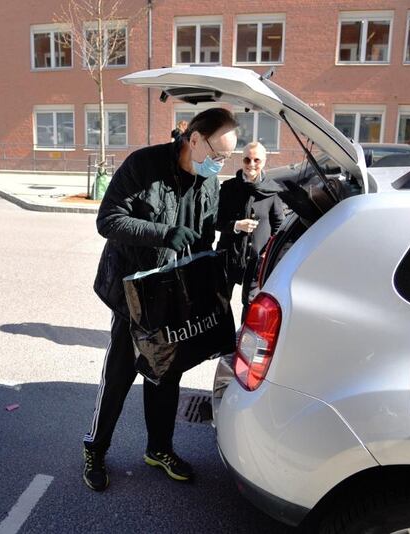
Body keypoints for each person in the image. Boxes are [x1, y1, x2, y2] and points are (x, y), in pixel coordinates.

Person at [84, 108, 238, 492]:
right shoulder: (144, 165)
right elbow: (108, 220)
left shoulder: (209, 181)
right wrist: (163, 233)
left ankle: (159, 449)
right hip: (134, 295)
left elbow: (206, 234)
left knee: (166, 375)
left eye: (225, 159)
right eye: (216, 155)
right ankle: (96, 450)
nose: (219, 164)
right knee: (120, 376)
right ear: (194, 139)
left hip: (175, 297)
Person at [217, 142, 284, 320]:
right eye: (247, 159)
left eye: (257, 160)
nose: (251, 164)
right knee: (220, 302)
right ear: (241, 159)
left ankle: (242, 344)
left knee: (251, 305)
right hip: (228, 256)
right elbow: (216, 221)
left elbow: (278, 225)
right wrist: (236, 225)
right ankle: (223, 343)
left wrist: (268, 252)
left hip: (257, 261)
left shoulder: (272, 191)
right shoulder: (229, 188)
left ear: (264, 161)